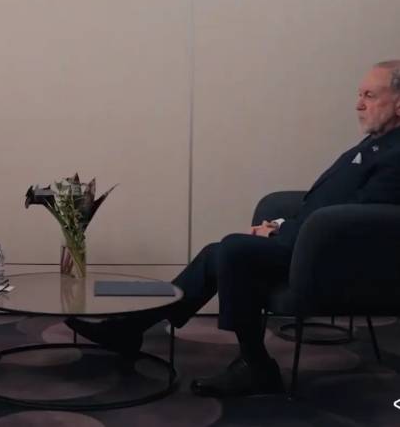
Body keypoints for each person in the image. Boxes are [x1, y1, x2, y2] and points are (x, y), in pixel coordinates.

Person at [67, 60, 400, 397]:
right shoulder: (376, 143)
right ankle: (130, 330)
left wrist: (280, 234)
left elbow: (362, 222)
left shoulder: (396, 154)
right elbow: (328, 207)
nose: (359, 104)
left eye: (370, 96)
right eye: (359, 95)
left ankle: (255, 366)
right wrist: (280, 224)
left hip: (334, 260)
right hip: (311, 243)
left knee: (233, 250)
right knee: (218, 253)